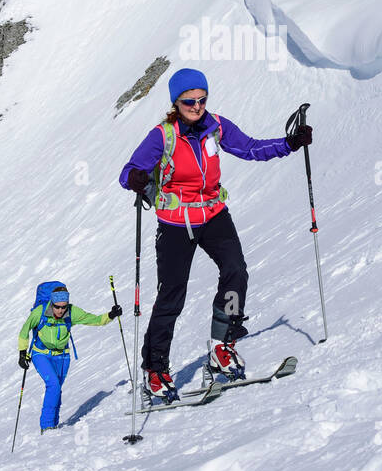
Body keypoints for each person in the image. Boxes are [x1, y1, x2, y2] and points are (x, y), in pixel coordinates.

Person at [118, 67, 312, 403]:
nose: (196, 105)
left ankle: (223, 343)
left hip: (213, 216)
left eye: (201, 99)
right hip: (176, 225)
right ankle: (155, 370)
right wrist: (136, 179)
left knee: (236, 270)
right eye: (189, 101)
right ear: (175, 103)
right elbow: (127, 173)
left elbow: (249, 148)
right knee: (172, 296)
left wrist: (289, 144)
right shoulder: (163, 135)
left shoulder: (216, 126)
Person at [18, 286, 122, 432]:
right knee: (53, 385)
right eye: (57, 307)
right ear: (52, 304)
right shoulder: (39, 312)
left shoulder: (72, 312)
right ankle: (46, 426)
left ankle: (54, 424)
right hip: (40, 353)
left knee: (57, 389)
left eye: (63, 307)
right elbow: (24, 331)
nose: (60, 310)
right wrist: (22, 353)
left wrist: (111, 315)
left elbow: (95, 320)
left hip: (62, 356)